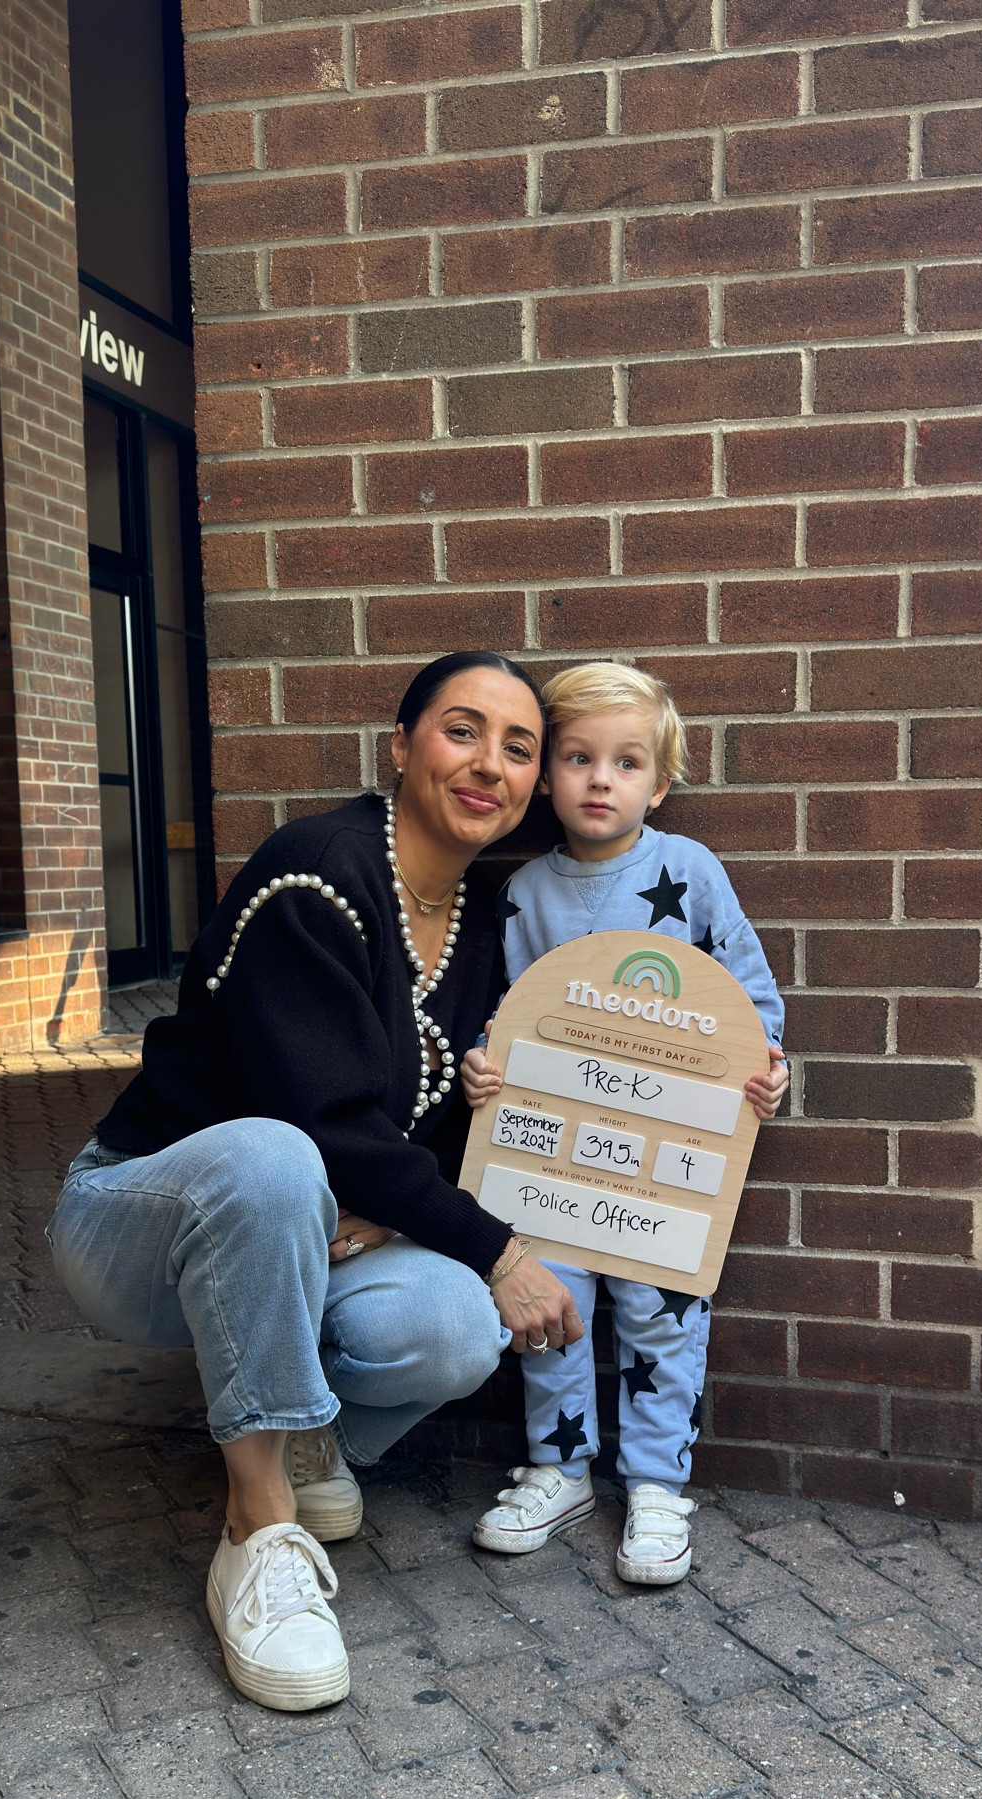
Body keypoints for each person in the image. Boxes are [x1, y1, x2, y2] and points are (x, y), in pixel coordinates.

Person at [47, 653, 583, 1712]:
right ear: (401, 746)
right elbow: (316, 1123)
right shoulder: (317, 872)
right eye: (461, 730)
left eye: (518, 747)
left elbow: (417, 1126)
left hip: (322, 1229)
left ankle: (299, 1429)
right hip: (141, 1213)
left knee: (457, 1328)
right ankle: (257, 1529)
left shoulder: (483, 918)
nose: (490, 764)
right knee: (273, 1158)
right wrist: (503, 1250)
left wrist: (742, 1067)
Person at [460, 660, 787, 1586]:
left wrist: (766, 1069)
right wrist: (482, 1066)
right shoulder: (522, 894)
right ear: (546, 776)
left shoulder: (688, 871)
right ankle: (560, 1469)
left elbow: (749, 999)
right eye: (577, 758)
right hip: (551, 1161)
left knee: (661, 1318)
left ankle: (655, 1486)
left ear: (661, 782)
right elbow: (496, 1013)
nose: (601, 780)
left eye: (627, 762)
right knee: (549, 1315)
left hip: (669, 1165)